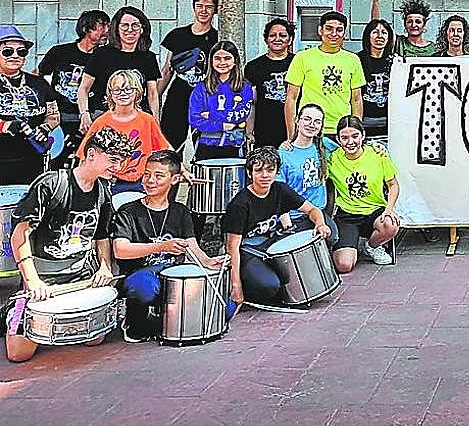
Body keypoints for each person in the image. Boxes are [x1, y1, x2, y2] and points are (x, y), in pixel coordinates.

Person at [5, 127, 130, 363]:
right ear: (91, 154)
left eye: (120, 162)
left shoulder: (103, 192)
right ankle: (17, 311)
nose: (118, 167)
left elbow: (101, 236)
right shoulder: (51, 184)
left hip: (81, 274)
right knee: (18, 354)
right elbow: (19, 233)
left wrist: (104, 267)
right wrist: (32, 281)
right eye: (113, 160)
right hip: (44, 275)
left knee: (94, 339)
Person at [112, 149, 226, 342]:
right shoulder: (129, 211)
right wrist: (162, 247)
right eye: (147, 174)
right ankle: (135, 324)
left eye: (158, 176)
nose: (150, 181)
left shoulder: (180, 211)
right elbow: (120, 250)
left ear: (174, 180)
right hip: (140, 274)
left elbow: (192, 246)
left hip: (173, 274)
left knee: (226, 308)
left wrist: (208, 261)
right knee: (144, 288)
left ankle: (165, 321)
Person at [222, 146, 331, 308]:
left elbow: (312, 209)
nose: (265, 175)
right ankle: (251, 288)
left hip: (274, 245)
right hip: (250, 251)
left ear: (276, 171)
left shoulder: (280, 189)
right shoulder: (240, 204)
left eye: (270, 170)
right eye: (258, 170)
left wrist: (320, 224)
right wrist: (235, 285)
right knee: (269, 286)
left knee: (326, 235)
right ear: (249, 173)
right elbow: (232, 247)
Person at [35, 10, 109, 164]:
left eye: (108, 26)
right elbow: (38, 76)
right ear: (86, 29)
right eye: (102, 26)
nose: (107, 31)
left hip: (91, 118)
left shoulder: (104, 57)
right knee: (56, 161)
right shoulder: (60, 52)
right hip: (60, 117)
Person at [77, 71, 169, 194]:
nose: (123, 94)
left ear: (137, 91)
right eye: (117, 90)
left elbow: (165, 148)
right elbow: (84, 157)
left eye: (128, 89)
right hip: (108, 182)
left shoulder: (147, 120)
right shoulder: (101, 122)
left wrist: (181, 169)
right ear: (110, 94)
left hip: (140, 183)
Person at [329, 115, 401, 271]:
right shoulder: (332, 159)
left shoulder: (378, 154)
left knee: (391, 224)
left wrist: (389, 209)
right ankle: (349, 245)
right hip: (347, 215)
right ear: (338, 139)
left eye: (355, 136)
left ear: (363, 135)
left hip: (374, 211)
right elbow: (315, 143)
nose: (350, 142)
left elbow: (393, 185)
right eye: (344, 137)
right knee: (344, 266)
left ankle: (371, 246)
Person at [283, 10, 364, 140]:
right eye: (329, 28)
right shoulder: (303, 57)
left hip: (342, 129)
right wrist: (292, 134)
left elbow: (356, 99)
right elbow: (291, 98)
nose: (334, 34)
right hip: (310, 128)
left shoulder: (353, 60)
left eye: (339, 30)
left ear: (345, 33)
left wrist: (355, 131)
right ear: (320, 30)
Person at [78, 6, 161, 126]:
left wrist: (155, 120)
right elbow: (84, 88)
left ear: (142, 28)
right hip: (104, 116)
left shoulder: (148, 58)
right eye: (125, 25)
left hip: (137, 118)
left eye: (135, 25)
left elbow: (152, 93)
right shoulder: (101, 54)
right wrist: (84, 114)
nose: (130, 30)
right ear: (117, 28)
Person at [158, 0, 219, 149]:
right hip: (178, 92)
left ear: (215, 10)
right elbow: (167, 70)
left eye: (209, 7)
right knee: (171, 142)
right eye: (199, 6)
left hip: (206, 95)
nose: (203, 11)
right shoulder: (177, 35)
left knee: (205, 143)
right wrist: (155, 97)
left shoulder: (218, 38)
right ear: (193, 7)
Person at [0, 27, 58, 185]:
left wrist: (45, 128)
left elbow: (53, 116)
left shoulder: (39, 83)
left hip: (32, 160)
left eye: (21, 52)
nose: (15, 56)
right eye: (7, 51)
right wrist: (5, 126)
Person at [278, 103, 338, 244]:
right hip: (293, 216)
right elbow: (278, 193)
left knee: (332, 238)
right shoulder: (283, 154)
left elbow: (352, 152)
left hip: (318, 213)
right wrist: (288, 227)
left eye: (317, 121)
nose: (312, 124)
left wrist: (376, 147)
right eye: (307, 119)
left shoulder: (325, 145)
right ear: (297, 121)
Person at [188, 41, 254, 161]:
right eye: (217, 58)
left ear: (235, 61)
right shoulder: (201, 88)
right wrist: (222, 125)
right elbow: (194, 119)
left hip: (234, 146)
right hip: (206, 146)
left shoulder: (244, 88)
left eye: (227, 58)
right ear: (211, 61)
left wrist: (211, 114)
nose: (222, 62)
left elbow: (240, 115)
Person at [245, 19, 296, 148]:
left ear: (290, 39)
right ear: (266, 39)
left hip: (294, 130)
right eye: (272, 35)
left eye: (283, 35)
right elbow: (252, 103)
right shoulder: (253, 67)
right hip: (264, 130)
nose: (277, 39)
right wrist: (249, 131)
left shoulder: (299, 63)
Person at [358, 18, 395, 140]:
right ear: (368, 36)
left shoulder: (395, 61)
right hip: (364, 123)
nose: (380, 36)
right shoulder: (357, 60)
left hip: (389, 125)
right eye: (375, 32)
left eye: (384, 32)